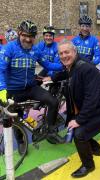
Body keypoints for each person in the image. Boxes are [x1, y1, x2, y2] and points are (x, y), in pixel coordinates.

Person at [0, 20, 64, 154]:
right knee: (15, 116)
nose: (28, 39)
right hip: (13, 90)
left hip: (31, 87)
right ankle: (22, 142)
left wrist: (66, 65)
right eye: (25, 35)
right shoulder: (9, 48)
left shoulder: (35, 50)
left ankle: (50, 130)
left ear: (35, 37)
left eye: (31, 36)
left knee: (53, 101)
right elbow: (1, 70)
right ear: (19, 33)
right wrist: (2, 89)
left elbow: (48, 65)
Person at [53, 39, 100, 178]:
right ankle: (95, 148)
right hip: (90, 108)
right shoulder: (71, 66)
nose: (63, 56)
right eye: (61, 53)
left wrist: (79, 120)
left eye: (66, 52)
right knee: (75, 127)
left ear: (74, 52)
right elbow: (66, 74)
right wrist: (50, 77)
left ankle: (88, 165)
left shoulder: (86, 68)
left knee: (79, 134)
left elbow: (91, 99)